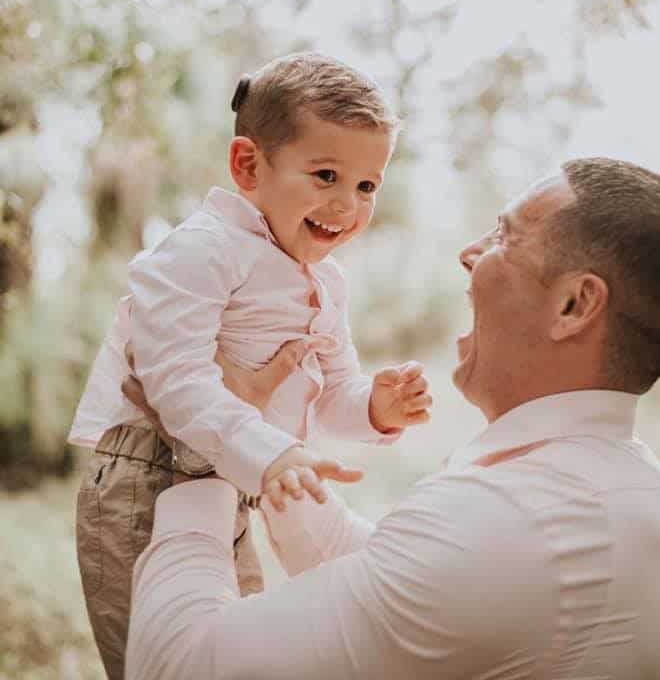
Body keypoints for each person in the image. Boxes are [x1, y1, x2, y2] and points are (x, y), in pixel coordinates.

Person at [126, 157, 660, 679]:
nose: (468, 253)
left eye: (503, 236)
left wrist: (206, 449)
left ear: (574, 305)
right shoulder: (622, 489)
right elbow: (393, 577)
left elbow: (175, 665)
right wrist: (267, 447)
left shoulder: (508, 524)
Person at [68, 52, 432, 680]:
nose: (346, 205)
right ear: (248, 165)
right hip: (145, 477)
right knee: (160, 659)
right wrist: (268, 453)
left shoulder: (327, 281)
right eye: (325, 175)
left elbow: (333, 388)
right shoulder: (204, 250)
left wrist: (374, 404)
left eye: (367, 186)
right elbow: (176, 382)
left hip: (239, 481)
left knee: (232, 651)